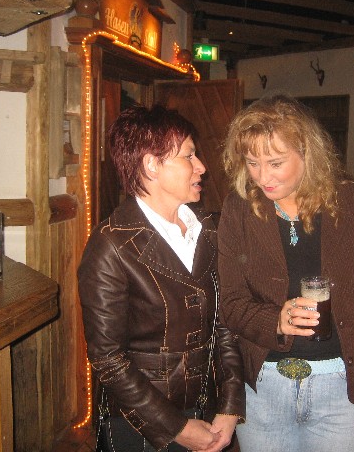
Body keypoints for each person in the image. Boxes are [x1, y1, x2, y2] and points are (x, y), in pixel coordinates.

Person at [218, 94, 354, 451]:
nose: (262, 177)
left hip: (342, 390)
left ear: (306, 151)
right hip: (264, 390)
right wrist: (275, 320)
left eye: (275, 162)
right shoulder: (238, 210)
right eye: (252, 163)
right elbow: (230, 303)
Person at [78, 105, 245, 452]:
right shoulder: (111, 245)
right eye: (188, 156)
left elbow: (224, 324)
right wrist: (176, 427)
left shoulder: (208, 229)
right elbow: (108, 359)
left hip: (207, 408)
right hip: (140, 424)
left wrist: (230, 405)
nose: (201, 167)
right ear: (151, 165)